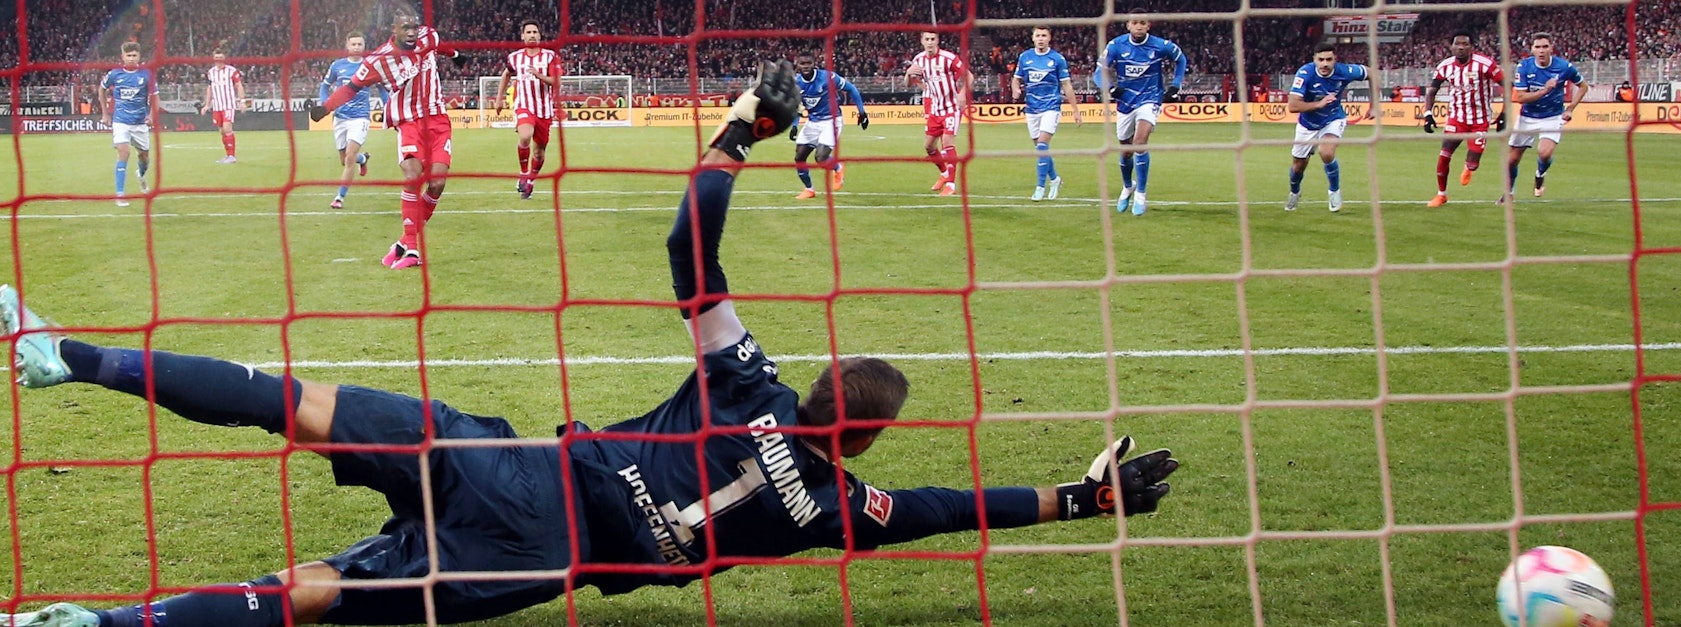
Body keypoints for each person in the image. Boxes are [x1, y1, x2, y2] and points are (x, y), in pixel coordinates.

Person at [0, 61, 1179, 627]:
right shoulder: (841, 514)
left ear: (820, 386)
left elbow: (686, 251)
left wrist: (737, 135)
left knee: (288, 398)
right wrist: (1080, 502)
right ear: (864, 439)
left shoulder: (749, 385)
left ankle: (72, 359)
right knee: (301, 600)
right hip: (534, 562)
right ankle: (104, 626)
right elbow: (955, 506)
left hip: (508, 468)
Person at [310, 9, 468, 270]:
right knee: (412, 175)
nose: (411, 32)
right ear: (394, 30)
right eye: (405, 28)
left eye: (414, 27)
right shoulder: (378, 61)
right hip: (408, 122)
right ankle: (413, 249)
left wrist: (456, 56)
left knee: (437, 183)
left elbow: (441, 45)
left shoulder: (428, 37)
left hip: (438, 119)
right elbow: (351, 87)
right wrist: (325, 108)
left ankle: (403, 243)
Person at [1099, 9, 1187, 216]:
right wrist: (1110, 87)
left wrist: (1175, 85)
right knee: (1125, 150)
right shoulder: (1116, 45)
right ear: (1128, 25)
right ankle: (1128, 185)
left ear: (1149, 25)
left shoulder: (1160, 45)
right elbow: (1098, 72)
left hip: (1150, 98)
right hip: (1125, 102)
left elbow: (1181, 59)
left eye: (1143, 23)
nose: (1138, 26)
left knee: (1139, 143)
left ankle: (1141, 193)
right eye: (1134, 23)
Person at [1418, 32, 1504, 208]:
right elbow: (1432, 91)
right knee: (1444, 155)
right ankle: (1441, 194)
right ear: (1451, 47)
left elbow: (1507, 86)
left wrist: (1504, 113)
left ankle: (1469, 167)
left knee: (1473, 163)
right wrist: (1428, 114)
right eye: (1458, 44)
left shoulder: (1485, 64)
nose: (1461, 47)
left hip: (1480, 119)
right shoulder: (1445, 66)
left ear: (1471, 47)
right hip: (1456, 118)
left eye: (1465, 44)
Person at [1285, 44, 1371, 213]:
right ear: (1314, 60)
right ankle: (1295, 192)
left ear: (1335, 60)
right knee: (1298, 166)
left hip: (1333, 118)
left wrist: (1374, 105)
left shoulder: (1345, 71)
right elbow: (1293, 106)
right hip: (1307, 124)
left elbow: (1373, 73)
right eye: (1321, 60)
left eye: (1329, 60)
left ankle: (1334, 192)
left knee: (1326, 152)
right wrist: (1319, 104)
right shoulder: (1305, 73)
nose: (1325, 64)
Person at [1502, 33, 1586, 204]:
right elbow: (1521, 98)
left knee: (1544, 152)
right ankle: (1508, 193)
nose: (1541, 51)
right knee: (1512, 160)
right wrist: (1544, 91)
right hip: (1528, 116)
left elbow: (1583, 86)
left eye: (1545, 47)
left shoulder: (1564, 67)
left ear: (1551, 48)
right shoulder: (1524, 67)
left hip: (1553, 117)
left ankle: (1540, 174)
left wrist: (1570, 108)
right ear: (1532, 49)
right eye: (1538, 47)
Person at [494, 20, 563, 200]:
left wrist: (538, 75)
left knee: (539, 152)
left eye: (535, 32)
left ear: (540, 36)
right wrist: (499, 98)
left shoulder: (550, 57)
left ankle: (530, 180)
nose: (532, 35)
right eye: (528, 32)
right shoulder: (515, 57)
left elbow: (556, 82)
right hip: (523, 105)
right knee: (525, 135)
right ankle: (524, 174)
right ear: (522, 36)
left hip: (544, 110)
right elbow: (506, 74)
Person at [1012, 25, 1080, 202]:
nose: (1041, 38)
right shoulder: (1025, 57)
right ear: (1033, 38)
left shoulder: (1057, 59)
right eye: (1037, 35)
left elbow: (1066, 85)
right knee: (1040, 150)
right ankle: (1055, 179)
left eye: (1044, 35)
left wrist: (1075, 110)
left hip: (1051, 106)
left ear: (1049, 38)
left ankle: (1040, 187)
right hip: (1032, 108)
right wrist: (1015, 89)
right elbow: (1016, 78)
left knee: (1042, 145)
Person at [789, 52, 868, 200]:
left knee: (821, 157)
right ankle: (809, 189)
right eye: (802, 64)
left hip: (831, 121)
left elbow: (851, 89)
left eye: (808, 63)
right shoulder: (796, 83)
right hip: (812, 122)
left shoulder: (828, 77)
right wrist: (794, 125)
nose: (805, 67)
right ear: (797, 65)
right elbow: (795, 106)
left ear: (814, 64)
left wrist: (862, 112)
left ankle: (838, 167)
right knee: (799, 157)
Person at [905, 31, 971, 196]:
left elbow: (968, 76)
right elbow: (908, 84)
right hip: (935, 109)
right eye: (926, 39)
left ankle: (951, 185)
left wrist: (962, 93)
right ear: (921, 41)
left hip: (951, 107)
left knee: (947, 141)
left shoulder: (948, 59)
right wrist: (908, 73)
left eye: (933, 39)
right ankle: (944, 173)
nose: (930, 42)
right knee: (929, 146)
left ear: (937, 41)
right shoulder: (918, 60)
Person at [317, 32, 376, 210]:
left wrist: (389, 105)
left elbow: (382, 88)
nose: (357, 47)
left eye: (360, 44)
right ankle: (363, 159)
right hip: (340, 117)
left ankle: (339, 198)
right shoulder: (337, 66)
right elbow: (325, 86)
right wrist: (324, 104)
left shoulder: (371, 66)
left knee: (349, 158)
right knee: (344, 159)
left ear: (364, 46)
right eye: (354, 44)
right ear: (347, 46)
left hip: (360, 117)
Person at [98, 41, 155, 208]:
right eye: (128, 55)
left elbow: (154, 97)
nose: (131, 58)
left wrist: (151, 115)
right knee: (124, 152)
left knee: (144, 157)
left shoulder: (146, 75)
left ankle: (141, 175)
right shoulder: (114, 74)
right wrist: (105, 113)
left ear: (139, 57)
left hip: (140, 123)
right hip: (121, 120)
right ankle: (120, 194)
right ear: (122, 57)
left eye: (134, 55)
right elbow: (101, 89)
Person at [201, 44, 245, 164]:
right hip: (217, 106)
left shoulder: (231, 71)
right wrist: (206, 105)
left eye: (221, 58)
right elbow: (209, 88)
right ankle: (227, 155)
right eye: (216, 58)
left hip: (228, 105)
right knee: (221, 131)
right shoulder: (211, 72)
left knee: (227, 128)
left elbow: (238, 85)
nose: (218, 60)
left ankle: (232, 156)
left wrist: (242, 101)